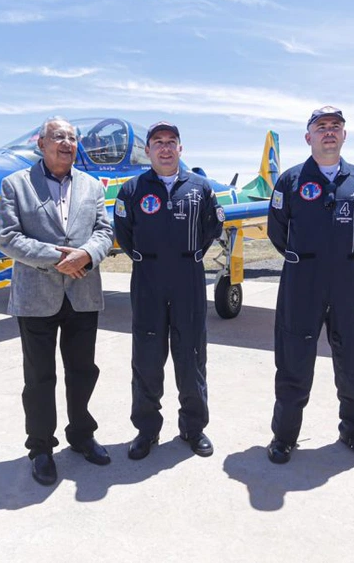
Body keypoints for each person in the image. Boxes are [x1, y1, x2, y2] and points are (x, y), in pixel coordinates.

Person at [0, 116, 115, 486]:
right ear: (42, 144)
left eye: (71, 137)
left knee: (83, 372)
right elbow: (7, 238)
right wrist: (58, 257)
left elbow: (105, 231)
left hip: (82, 294)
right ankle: (42, 448)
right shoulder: (15, 185)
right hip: (37, 296)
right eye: (57, 136)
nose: (66, 142)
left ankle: (81, 436)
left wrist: (87, 255)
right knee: (39, 378)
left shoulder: (93, 187)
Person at [265, 106, 354, 465]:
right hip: (302, 280)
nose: (329, 132)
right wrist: (310, 256)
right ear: (309, 137)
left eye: (336, 127)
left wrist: (341, 253)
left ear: (344, 135)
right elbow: (276, 229)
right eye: (321, 127)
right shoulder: (290, 180)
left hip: (348, 279)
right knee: (293, 360)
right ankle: (284, 437)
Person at [113, 121, 224, 460]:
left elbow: (212, 228)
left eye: (171, 142)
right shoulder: (132, 190)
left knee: (191, 356)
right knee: (146, 358)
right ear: (147, 150)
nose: (164, 147)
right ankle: (147, 431)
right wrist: (151, 260)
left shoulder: (200, 188)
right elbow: (124, 233)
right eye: (157, 142)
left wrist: (185, 257)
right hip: (147, 278)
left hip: (188, 277)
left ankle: (193, 428)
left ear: (180, 149)